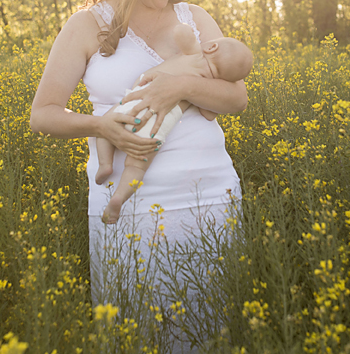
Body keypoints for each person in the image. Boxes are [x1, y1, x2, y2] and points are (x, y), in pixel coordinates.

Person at [28, 0, 248, 354]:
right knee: (133, 335)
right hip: (125, 204)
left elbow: (236, 96)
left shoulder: (196, 19)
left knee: (210, 331)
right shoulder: (88, 24)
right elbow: (43, 112)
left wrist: (178, 86)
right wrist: (99, 124)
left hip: (207, 194)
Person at [95, 22, 253, 224]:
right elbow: (209, 114)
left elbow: (181, 32)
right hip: (159, 125)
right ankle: (118, 198)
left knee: (104, 126)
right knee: (136, 167)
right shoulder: (207, 85)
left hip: (137, 101)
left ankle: (105, 165)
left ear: (211, 47)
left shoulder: (195, 54)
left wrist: (188, 30)